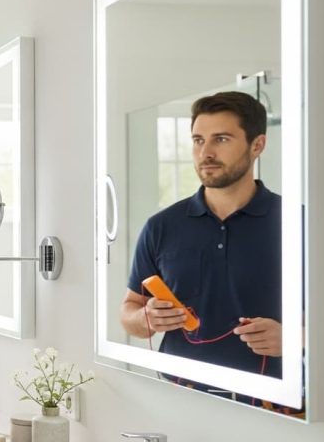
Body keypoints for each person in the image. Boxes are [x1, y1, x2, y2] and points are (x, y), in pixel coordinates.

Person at [119, 91, 283, 380]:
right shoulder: (161, 226)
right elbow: (130, 311)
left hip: (271, 405)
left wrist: (296, 339)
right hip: (179, 397)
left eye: (221, 139)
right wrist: (146, 318)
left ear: (257, 145)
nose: (205, 153)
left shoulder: (297, 222)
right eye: (198, 140)